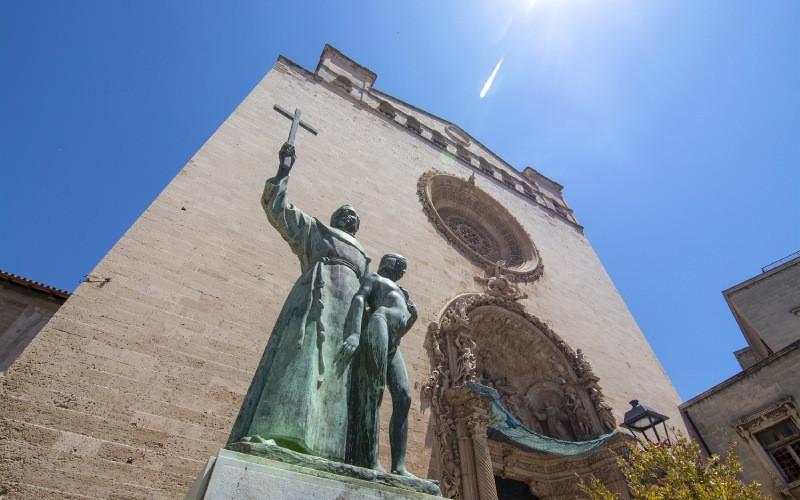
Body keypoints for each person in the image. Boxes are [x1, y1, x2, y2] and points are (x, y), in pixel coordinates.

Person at [227, 143, 370, 463]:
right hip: (315, 302)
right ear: (335, 218)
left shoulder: (364, 258)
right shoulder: (317, 231)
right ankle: (281, 432)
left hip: (347, 318)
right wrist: (284, 170)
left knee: (339, 380)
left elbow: (369, 294)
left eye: (354, 215)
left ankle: (330, 450)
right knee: (302, 360)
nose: (350, 216)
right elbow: (279, 211)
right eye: (345, 212)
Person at [335, 254, 417, 475]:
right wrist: (354, 333)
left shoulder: (402, 291)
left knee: (404, 398)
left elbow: (401, 328)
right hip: (379, 323)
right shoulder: (374, 277)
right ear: (391, 264)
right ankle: (370, 461)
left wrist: (413, 318)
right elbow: (360, 299)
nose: (404, 271)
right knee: (376, 390)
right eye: (402, 266)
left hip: (393, 341)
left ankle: (399, 467)